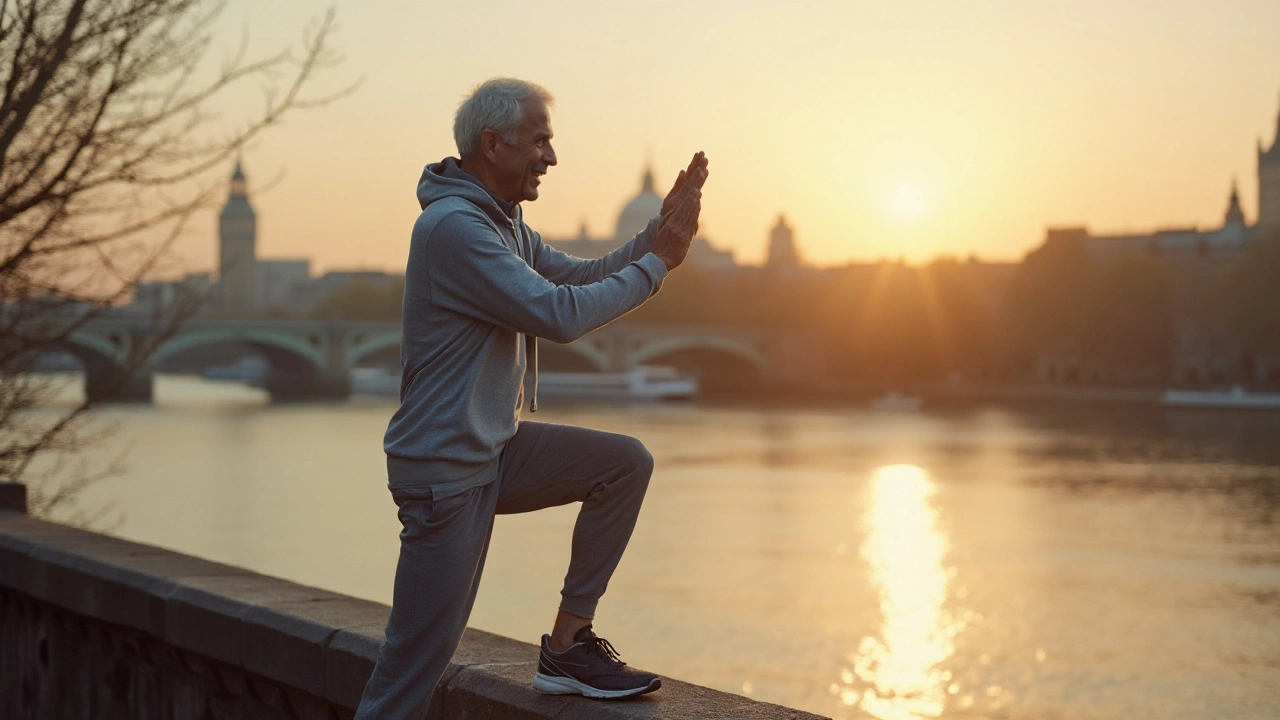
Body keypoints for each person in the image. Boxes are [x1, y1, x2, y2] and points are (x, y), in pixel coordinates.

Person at [354, 77, 709, 719]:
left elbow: (577, 276)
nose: (551, 156)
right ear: (493, 145)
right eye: (540, 140)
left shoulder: (504, 224)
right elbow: (560, 313)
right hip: (446, 473)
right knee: (411, 671)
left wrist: (658, 236)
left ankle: (569, 646)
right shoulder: (454, 229)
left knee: (623, 463)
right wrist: (657, 265)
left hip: (491, 449)